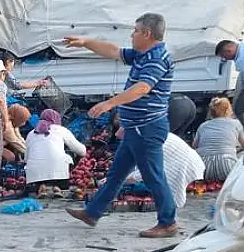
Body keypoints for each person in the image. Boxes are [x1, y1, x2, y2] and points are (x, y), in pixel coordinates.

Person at [64, 13, 179, 238]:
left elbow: (142, 88)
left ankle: (168, 222)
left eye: (135, 30)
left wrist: (109, 103)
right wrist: (86, 43)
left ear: (147, 34)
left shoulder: (156, 58)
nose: (132, 34)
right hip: (136, 128)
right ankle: (93, 212)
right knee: (117, 174)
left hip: (146, 128)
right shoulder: (141, 54)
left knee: (153, 176)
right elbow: (114, 51)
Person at [122, 131, 202, 211]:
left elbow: (145, 172)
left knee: (133, 187)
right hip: (195, 166)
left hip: (185, 170)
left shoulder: (147, 143)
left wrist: (123, 180)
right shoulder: (156, 133)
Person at [25, 109, 86, 186]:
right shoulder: (60, 129)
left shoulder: (31, 134)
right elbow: (82, 151)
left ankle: (42, 188)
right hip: (59, 176)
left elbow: (26, 159)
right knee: (69, 154)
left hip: (33, 178)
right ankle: (57, 188)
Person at [192, 97, 244, 181]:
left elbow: (194, 146)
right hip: (227, 166)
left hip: (205, 168)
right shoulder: (236, 124)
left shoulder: (203, 126)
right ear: (228, 110)